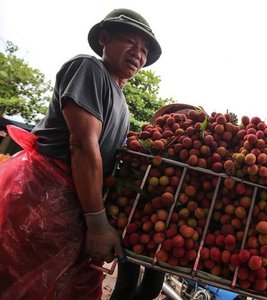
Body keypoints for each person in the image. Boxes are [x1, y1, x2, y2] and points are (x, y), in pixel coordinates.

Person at [0, 8, 161, 299]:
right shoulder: (88, 68)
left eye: (145, 50)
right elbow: (82, 146)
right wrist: (97, 222)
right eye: (131, 42)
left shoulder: (122, 102)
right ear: (104, 38)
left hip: (71, 209)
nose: (139, 54)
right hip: (41, 201)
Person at [111, 103, 198, 300]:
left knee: (152, 288)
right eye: (180, 118)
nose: (183, 121)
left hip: (165, 226)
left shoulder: (189, 155)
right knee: (126, 283)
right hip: (134, 218)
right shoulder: (147, 148)